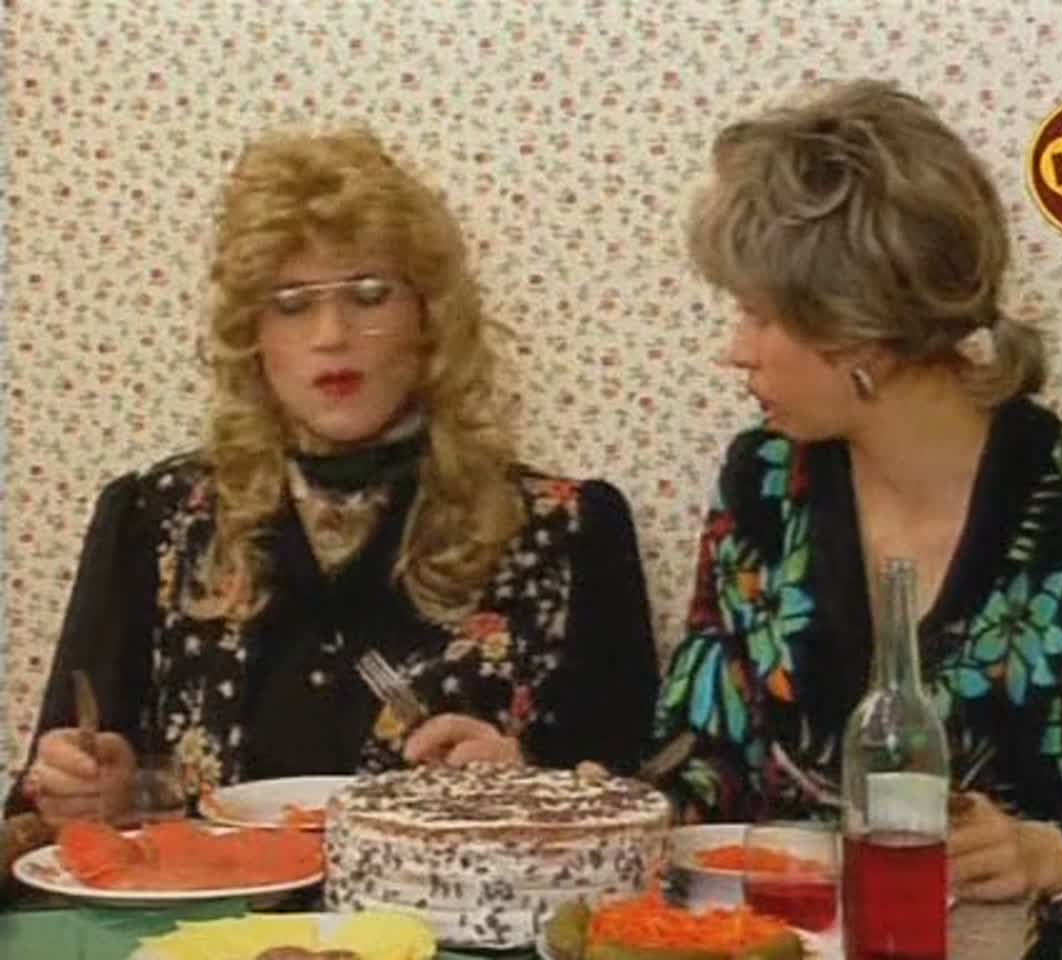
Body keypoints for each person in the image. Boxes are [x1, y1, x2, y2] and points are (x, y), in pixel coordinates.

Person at [651, 79, 1062, 953]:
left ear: (856, 325)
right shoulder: (764, 484)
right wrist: (578, 805)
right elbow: (702, 763)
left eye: (757, 315)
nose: (733, 352)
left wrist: (1046, 854)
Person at [7, 127, 657, 826]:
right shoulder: (153, 518)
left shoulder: (570, 528)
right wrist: (90, 795)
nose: (331, 335)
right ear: (252, 336)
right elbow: (44, 805)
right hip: (200, 899)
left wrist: (529, 787)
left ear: (429, 319)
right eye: (291, 303)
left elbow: (638, 812)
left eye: (370, 295)